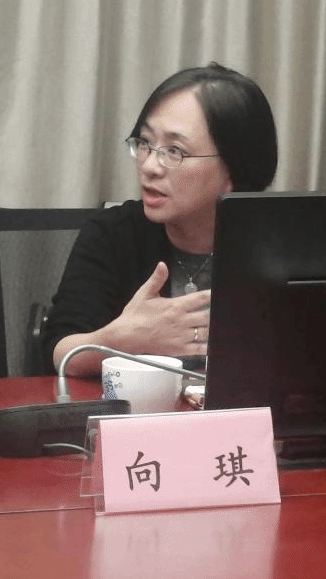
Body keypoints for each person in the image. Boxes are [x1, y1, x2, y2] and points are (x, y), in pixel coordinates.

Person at [44, 62, 278, 377]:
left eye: (174, 151)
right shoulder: (113, 233)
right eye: (145, 143)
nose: (149, 166)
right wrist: (125, 340)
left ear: (234, 170)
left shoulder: (277, 245)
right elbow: (61, 352)